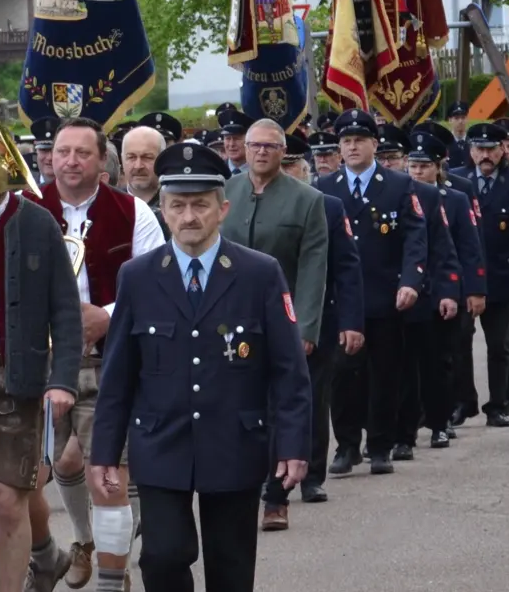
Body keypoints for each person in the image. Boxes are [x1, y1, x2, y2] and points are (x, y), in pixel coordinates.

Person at [90, 140, 311, 592]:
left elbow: (288, 370)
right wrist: (104, 451)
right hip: (160, 441)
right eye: (177, 205)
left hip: (234, 441)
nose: (189, 216)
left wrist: (293, 445)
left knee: (231, 569)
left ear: (222, 208)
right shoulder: (138, 276)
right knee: (163, 556)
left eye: (200, 205)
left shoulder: (259, 273)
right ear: (163, 211)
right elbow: (117, 374)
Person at [25, 117, 165, 592]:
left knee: (107, 475)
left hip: (108, 361)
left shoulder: (134, 213)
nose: (69, 161)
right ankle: (70, 546)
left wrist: (106, 314)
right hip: (41, 364)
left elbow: (156, 282)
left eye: (82, 152)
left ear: (102, 160)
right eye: (62, 151)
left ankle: (112, 579)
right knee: (28, 477)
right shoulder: (25, 208)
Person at [0, 122, 83, 592]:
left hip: (19, 376)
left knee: (10, 501)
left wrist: (63, 378)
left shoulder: (38, 221)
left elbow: (67, 311)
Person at [224, 120, 327, 532]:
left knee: (276, 406)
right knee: (232, 403)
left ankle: (276, 496)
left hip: (279, 320)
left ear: (283, 151)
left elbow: (313, 267)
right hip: (227, 319)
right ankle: (236, 487)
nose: (261, 152)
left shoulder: (307, 199)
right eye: (254, 146)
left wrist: (305, 327)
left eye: (269, 146)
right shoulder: (224, 194)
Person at [319, 109, 427, 477]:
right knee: (343, 375)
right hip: (341, 299)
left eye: (359, 140)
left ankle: (379, 445)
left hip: (385, 296)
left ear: (374, 145)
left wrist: (411, 280)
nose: (352, 147)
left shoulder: (398, 185)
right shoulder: (324, 189)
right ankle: (347, 445)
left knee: (385, 375)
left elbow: (415, 236)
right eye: (346, 141)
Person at [281, 136, 363, 506]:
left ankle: (312, 476)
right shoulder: (246, 206)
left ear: (305, 168)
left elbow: (346, 268)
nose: (287, 173)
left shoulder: (328, 206)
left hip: (317, 318)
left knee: (313, 399)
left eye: (292, 165)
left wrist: (351, 321)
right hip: (266, 318)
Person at [451, 122, 509, 427]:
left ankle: (499, 403)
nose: (485, 155)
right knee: (461, 339)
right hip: (465, 277)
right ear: (471, 151)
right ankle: (464, 401)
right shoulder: (458, 180)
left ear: (502, 150)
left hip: (502, 273)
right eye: (479, 149)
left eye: (491, 149)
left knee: (499, 345)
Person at [376, 126, 462, 459]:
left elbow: (443, 249)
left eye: (394, 158)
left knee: (428, 365)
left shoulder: (426, 196)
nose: (389, 164)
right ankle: (396, 434)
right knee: (390, 370)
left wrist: (448, 291)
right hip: (384, 297)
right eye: (383, 158)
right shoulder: (371, 194)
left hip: (422, 294)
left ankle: (437, 422)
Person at [121, 126, 167, 234]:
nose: (138, 166)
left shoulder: (175, 206)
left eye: (147, 157)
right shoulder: (108, 204)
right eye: (131, 157)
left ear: (162, 160)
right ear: (122, 159)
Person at [215, 106, 253, 174]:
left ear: (248, 140)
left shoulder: (259, 170)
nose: (231, 144)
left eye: (236, 138)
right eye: (227, 138)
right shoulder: (217, 171)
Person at [445, 103, 474, 172]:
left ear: (467, 119)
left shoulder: (473, 142)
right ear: (450, 120)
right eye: (456, 118)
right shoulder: (444, 143)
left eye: (463, 118)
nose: (460, 121)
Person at [31, 117, 59, 186]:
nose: (50, 158)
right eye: (44, 150)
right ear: (36, 151)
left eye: (56, 151)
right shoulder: (23, 191)